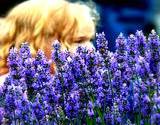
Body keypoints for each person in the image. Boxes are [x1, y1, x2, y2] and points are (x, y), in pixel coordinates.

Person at [0, 0, 98, 84]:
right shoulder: (10, 86)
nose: (91, 49)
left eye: (91, 40)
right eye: (78, 41)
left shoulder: (83, 82)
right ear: (33, 43)